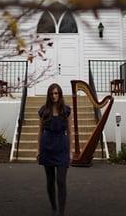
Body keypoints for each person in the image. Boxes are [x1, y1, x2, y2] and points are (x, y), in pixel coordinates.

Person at [37, 83, 72, 216]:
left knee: (61, 181)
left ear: (60, 94)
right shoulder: (44, 110)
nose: (54, 96)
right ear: (49, 95)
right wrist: (38, 150)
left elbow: (70, 132)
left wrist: (70, 151)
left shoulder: (66, 110)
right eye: (52, 93)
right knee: (50, 181)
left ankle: (61, 212)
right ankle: (53, 207)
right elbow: (40, 132)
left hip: (62, 147)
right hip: (47, 147)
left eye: (56, 93)